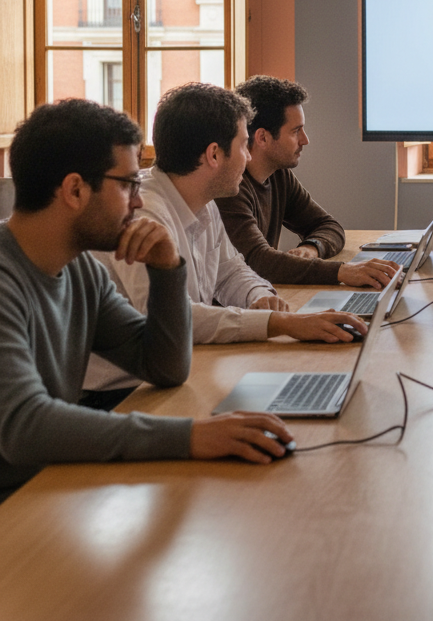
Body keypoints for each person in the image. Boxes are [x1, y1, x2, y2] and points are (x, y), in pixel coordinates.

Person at [0, 100, 299, 502]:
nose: (138, 202)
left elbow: (163, 366)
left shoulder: (81, 272)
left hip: (46, 487)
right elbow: (25, 427)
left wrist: (167, 271)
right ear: (74, 190)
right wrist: (189, 436)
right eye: (127, 185)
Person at [84, 83, 368, 397]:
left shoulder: (203, 200)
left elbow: (232, 270)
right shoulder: (144, 215)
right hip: (124, 394)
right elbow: (179, 319)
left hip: (171, 376)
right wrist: (279, 323)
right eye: (245, 145)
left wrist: (259, 296)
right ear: (214, 155)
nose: (248, 158)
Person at [215, 75, 398, 289]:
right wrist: (342, 271)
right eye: (295, 131)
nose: (305, 140)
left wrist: (312, 248)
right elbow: (258, 262)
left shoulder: (278, 174)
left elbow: (328, 225)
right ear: (263, 138)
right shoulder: (229, 187)